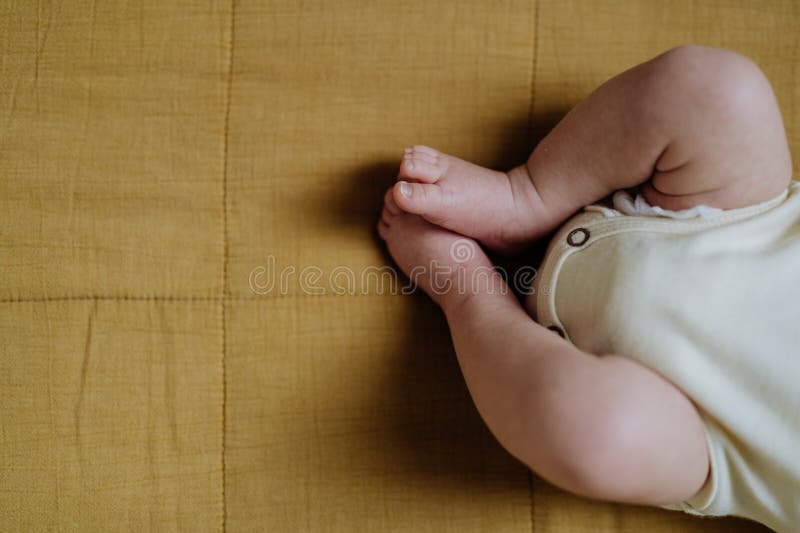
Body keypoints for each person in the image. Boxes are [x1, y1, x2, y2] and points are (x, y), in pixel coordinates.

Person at [377, 45, 798, 532]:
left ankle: (469, 289)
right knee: (719, 91)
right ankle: (526, 198)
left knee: (596, 434)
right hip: (747, 220)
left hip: (706, 432)